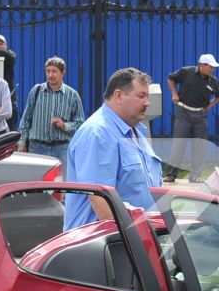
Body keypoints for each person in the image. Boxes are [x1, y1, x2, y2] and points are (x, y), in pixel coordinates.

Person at [61, 67, 160, 230]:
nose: (147, 103)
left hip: (133, 240)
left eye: (147, 97)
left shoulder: (134, 131)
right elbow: (100, 200)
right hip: (102, 246)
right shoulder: (99, 134)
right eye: (141, 96)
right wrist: (133, 245)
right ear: (119, 96)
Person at [166, 52, 219, 181]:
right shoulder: (186, 72)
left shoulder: (213, 81)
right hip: (183, 112)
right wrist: (174, 94)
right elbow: (171, 79)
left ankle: (195, 175)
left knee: (200, 145)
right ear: (203, 65)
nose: (213, 70)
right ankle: (171, 175)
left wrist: (209, 106)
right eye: (211, 67)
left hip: (200, 115)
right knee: (179, 144)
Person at [17, 57, 85, 165]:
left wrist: (64, 126)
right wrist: (22, 142)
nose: (50, 75)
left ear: (63, 73)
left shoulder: (72, 95)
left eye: (54, 71)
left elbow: (80, 123)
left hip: (61, 149)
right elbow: (25, 120)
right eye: (48, 71)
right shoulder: (36, 91)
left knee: (60, 181)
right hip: (37, 149)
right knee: (36, 181)